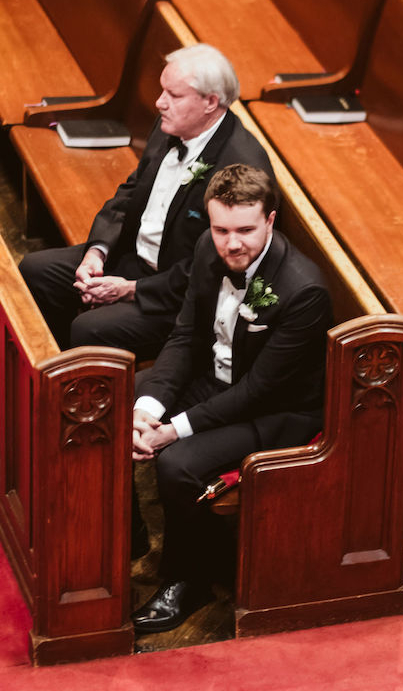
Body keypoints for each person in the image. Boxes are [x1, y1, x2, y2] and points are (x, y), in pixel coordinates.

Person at [128, 164, 332, 633]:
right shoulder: (207, 249)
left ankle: (190, 577)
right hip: (219, 379)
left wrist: (172, 431)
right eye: (221, 230)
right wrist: (148, 411)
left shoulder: (304, 291)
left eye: (245, 230)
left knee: (176, 464)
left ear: (270, 221)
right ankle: (126, 537)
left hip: (277, 410)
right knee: (123, 404)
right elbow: (185, 337)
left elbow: (259, 391)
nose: (231, 244)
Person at [19, 43, 273, 358]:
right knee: (36, 270)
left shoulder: (241, 168)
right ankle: (54, 364)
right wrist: (97, 253)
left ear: (210, 102)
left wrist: (130, 291)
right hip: (134, 256)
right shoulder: (171, 125)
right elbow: (131, 190)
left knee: (90, 327)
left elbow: (215, 267)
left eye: (174, 95)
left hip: (181, 295)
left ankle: (83, 387)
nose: (159, 102)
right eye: (162, 90)